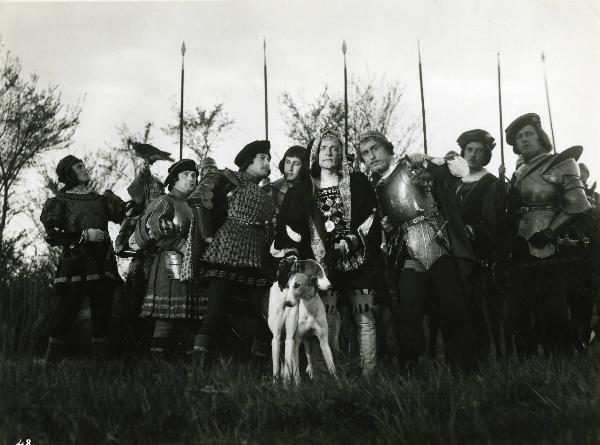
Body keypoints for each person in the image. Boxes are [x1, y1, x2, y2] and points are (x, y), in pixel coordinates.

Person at [366, 131, 478, 369]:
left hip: (439, 242)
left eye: (375, 148)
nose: (371, 156)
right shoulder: (376, 186)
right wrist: (388, 224)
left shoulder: (410, 163)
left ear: (387, 149)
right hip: (407, 249)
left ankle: (466, 368)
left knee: (454, 307)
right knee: (409, 312)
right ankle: (411, 372)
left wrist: (427, 162)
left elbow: (460, 170)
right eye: (365, 153)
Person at [275, 130, 380, 375]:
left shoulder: (357, 183)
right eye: (324, 148)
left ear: (341, 154)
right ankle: (325, 375)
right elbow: (290, 226)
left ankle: (369, 374)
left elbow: (370, 219)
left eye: (334, 148)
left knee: (364, 318)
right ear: (315, 153)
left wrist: (350, 242)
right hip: (322, 266)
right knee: (326, 320)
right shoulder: (302, 190)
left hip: (357, 262)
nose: (329, 153)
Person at [504, 113, 591, 356]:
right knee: (521, 304)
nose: (524, 139)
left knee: (554, 305)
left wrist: (552, 232)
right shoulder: (518, 170)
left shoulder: (562, 162)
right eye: (519, 136)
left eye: (529, 133)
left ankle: (562, 356)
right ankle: (527, 359)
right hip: (521, 242)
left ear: (541, 136)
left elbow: (578, 203)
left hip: (553, 243)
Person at [185, 140, 277, 364]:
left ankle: (260, 366)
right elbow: (198, 197)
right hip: (226, 251)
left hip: (257, 255)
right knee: (214, 311)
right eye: (263, 158)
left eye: (269, 159)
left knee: (264, 314)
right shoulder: (227, 178)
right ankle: (199, 364)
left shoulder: (267, 194)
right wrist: (207, 234)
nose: (268, 162)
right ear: (249, 161)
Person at [40, 155, 129, 362]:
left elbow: (125, 214)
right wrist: (83, 236)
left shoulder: (100, 199)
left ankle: (102, 367)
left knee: (102, 313)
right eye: (79, 167)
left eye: (84, 165)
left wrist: (142, 187)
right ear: (69, 173)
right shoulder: (59, 202)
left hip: (101, 262)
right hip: (74, 263)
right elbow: (52, 235)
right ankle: (50, 364)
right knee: (66, 313)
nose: (85, 169)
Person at [136, 159, 204, 359]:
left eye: (194, 175)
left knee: (191, 315)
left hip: (193, 265)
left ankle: (189, 366)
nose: (192, 179)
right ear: (174, 180)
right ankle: (157, 366)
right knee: (166, 315)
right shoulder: (165, 201)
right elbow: (154, 228)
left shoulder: (196, 205)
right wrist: (180, 245)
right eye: (187, 175)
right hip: (169, 264)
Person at [451, 129, 506, 360]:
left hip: (479, 252)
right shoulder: (452, 182)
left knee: (479, 305)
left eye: (479, 151)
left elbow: (492, 220)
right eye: (469, 150)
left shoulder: (490, 182)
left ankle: (488, 356)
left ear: (486, 156)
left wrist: (472, 231)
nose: (473, 155)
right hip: (452, 250)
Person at [264, 145, 309, 210]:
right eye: (288, 162)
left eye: (296, 164)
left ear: (304, 167)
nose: (290, 168)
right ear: (283, 163)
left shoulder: (313, 192)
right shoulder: (269, 190)